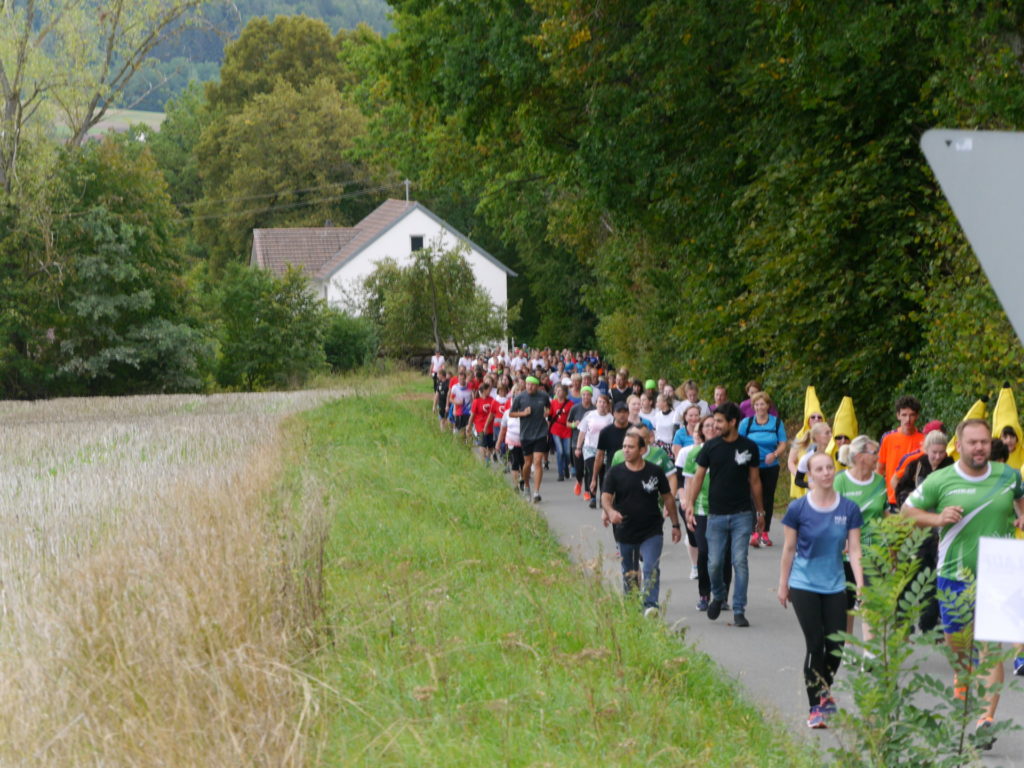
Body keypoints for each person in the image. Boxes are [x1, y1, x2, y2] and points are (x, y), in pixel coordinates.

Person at [902, 419, 1024, 749]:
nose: (980, 447)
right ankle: (960, 677)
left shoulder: (1009, 476)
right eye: (973, 442)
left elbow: (1021, 501)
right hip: (954, 575)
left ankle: (985, 720)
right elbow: (907, 510)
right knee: (960, 650)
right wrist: (937, 519)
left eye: (984, 441)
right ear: (960, 444)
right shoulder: (942, 479)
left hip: (998, 572)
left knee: (988, 651)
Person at [777, 451, 864, 729]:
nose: (826, 472)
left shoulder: (849, 509)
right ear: (810, 475)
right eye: (820, 469)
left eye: (830, 468)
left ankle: (824, 691)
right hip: (803, 583)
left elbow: (855, 550)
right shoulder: (798, 509)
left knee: (836, 646)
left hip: (835, 583)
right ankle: (816, 706)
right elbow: (789, 548)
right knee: (815, 644)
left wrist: (860, 583)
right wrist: (783, 584)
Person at [684, 402, 764, 627]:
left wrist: (761, 511)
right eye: (714, 421)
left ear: (733, 422)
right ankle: (718, 595)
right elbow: (698, 478)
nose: (715, 425)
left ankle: (739, 609)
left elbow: (755, 481)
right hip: (715, 514)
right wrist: (690, 503)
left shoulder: (749, 447)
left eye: (720, 421)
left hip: (741, 514)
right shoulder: (710, 447)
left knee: (740, 561)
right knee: (714, 562)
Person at [601, 431, 682, 616]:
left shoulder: (655, 471)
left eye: (630, 447)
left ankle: (650, 605)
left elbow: (668, 498)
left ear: (642, 449)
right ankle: (631, 607)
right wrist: (610, 512)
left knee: (650, 566)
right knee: (629, 572)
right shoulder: (616, 472)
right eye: (624, 447)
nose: (626, 450)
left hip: (651, 530)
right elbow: (605, 497)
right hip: (625, 529)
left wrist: (676, 525)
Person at [892, 429, 953, 636]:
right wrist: (912, 502)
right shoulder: (916, 466)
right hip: (917, 528)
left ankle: (929, 622)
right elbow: (900, 490)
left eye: (941, 452)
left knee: (936, 574)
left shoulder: (952, 468)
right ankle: (902, 619)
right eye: (934, 452)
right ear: (926, 449)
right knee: (912, 572)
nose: (937, 457)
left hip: (941, 529)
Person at [834, 435, 887, 639]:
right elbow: (832, 515)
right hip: (847, 552)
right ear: (860, 456)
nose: (878, 458)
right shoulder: (841, 481)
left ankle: (869, 653)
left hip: (875, 551)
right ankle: (848, 645)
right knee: (848, 603)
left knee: (870, 601)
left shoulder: (880, 482)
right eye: (875, 453)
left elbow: (884, 512)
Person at [682, 414, 731, 611]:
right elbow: (688, 482)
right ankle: (704, 594)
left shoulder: (729, 451)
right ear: (701, 430)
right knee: (704, 551)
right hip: (702, 509)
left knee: (725, 554)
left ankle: (723, 595)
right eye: (707, 426)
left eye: (714, 425)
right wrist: (689, 508)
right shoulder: (694, 453)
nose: (711, 428)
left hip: (725, 509)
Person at [739, 391, 788, 547]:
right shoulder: (746, 423)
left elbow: (783, 443)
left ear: (768, 406)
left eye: (763, 404)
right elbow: (739, 442)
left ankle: (765, 532)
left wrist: (774, 454)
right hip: (751, 466)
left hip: (770, 466)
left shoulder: (777, 423)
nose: (760, 407)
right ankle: (754, 532)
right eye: (757, 404)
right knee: (753, 498)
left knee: (767, 497)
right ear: (753, 406)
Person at [509, 376, 552, 503]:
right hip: (526, 434)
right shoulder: (520, 397)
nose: (529, 387)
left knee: (538, 461)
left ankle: (536, 492)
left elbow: (549, 407)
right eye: (527, 384)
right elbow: (511, 413)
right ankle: (527, 485)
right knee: (527, 463)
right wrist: (523, 413)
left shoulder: (543, 396)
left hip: (541, 433)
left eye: (532, 385)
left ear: (537, 386)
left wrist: (547, 412)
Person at [878, 395, 924, 506]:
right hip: (893, 498)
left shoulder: (924, 439)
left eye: (912, 415)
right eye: (904, 415)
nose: (908, 419)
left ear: (917, 416)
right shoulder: (888, 438)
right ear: (898, 416)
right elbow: (879, 469)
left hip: (917, 498)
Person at [591, 401, 631, 507]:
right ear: (613, 413)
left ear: (628, 413)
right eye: (619, 412)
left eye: (625, 412)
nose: (622, 414)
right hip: (612, 472)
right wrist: (594, 478)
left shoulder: (634, 430)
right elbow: (599, 456)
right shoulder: (606, 432)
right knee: (612, 505)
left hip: (632, 472)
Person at [577, 393, 614, 507]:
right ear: (596, 403)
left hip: (604, 449)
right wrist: (578, 447)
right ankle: (592, 497)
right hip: (589, 447)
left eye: (604, 402)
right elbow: (582, 431)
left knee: (603, 474)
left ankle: (603, 498)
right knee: (591, 470)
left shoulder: (610, 418)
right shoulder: (590, 415)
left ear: (608, 405)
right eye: (600, 402)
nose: (602, 404)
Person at [568, 385, 596, 495]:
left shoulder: (594, 409)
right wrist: (575, 424)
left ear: (591, 396)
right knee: (579, 469)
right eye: (583, 394)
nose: (586, 397)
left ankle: (587, 491)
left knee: (589, 468)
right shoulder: (575, 408)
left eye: (588, 395)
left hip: (590, 443)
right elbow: (567, 423)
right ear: (581, 395)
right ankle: (579, 481)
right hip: (576, 441)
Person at [793, 421, 834, 489]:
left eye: (831, 432)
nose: (831, 435)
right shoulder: (807, 458)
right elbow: (798, 481)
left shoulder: (836, 454)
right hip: (815, 496)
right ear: (817, 437)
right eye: (827, 433)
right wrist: (809, 485)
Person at [549, 385, 574, 482]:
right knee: (560, 451)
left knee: (567, 452)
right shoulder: (553, 403)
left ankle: (566, 467)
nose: (558, 393)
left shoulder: (570, 404)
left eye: (560, 391)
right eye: (557, 391)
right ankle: (560, 474)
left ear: (565, 393)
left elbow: (572, 416)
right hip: (556, 429)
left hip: (566, 429)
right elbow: (550, 415)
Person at [469, 381, 496, 463]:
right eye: (488, 389)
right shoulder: (476, 401)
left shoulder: (492, 400)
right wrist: (469, 425)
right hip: (480, 425)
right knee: (482, 445)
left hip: (490, 426)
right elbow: (473, 415)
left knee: (491, 447)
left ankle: (487, 457)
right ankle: (485, 460)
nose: (490, 391)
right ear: (484, 390)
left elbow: (494, 412)